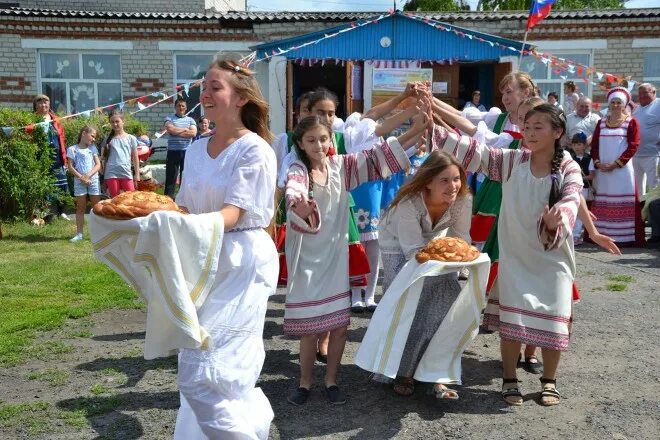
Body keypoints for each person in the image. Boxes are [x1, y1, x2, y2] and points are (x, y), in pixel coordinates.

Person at [431, 103, 582, 407]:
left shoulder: (568, 166)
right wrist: (430, 124)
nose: (530, 132)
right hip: (515, 258)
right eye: (527, 127)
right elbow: (473, 151)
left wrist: (558, 219)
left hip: (553, 259)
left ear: (557, 132)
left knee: (554, 319)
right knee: (512, 322)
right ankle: (509, 378)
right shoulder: (513, 161)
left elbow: (572, 198)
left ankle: (549, 381)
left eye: (538, 127)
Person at [283, 112, 424, 406]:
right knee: (310, 329)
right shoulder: (298, 169)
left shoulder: (340, 167)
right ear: (300, 143)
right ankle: (304, 383)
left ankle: (331, 380)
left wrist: (417, 129)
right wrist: (299, 205)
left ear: (330, 140)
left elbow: (379, 157)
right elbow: (294, 189)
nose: (319, 145)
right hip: (308, 258)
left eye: (323, 139)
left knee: (339, 325)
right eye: (311, 140)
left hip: (335, 255)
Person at [172, 55, 277, 439]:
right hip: (202, 257)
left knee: (205, 374)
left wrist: (185, 225)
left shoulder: (255, 150)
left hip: (242, 260)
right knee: (212, 373)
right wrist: (153, 220)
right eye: (204, 88)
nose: (206, 94)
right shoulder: (197, 148)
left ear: (240, 98)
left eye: (215, 87)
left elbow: (234, 213)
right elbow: (182, 205)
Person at [377, 150, 471, 399]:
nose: (453, 186)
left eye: (457, 179)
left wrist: (461, 264)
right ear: (428, 182)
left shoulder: (462, 200)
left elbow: (462, 239)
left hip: (432, 247)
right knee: (406, 306)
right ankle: (402, 372)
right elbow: (412, 251)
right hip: (398, 244)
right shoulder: (408, 204)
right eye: (445, 180)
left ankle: (435, 374)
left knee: (445, 305)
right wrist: (445, 262)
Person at [590, 87, 646, 247]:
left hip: (621, 170)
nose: (615, 105)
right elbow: (594, 146)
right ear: (608, 104)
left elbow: (634, 145)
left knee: (623, 200)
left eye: (618, 103)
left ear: (624, 105)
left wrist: (616, 164)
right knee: (604, 200)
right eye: (612, 102)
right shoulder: (600, 123)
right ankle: (602, 235)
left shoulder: (631, 122)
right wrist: (598, 162)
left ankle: (624, 237)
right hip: (603, 170)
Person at [33, 94, 70, 221]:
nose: (44, 105)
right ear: (35, 105)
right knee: (43, 185)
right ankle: (45, 214)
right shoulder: (32, 120)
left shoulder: (56, 120)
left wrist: (64, 157)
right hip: (40, 157)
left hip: (58, 158)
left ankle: (62, 212)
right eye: (40, 103)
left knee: (61, 184)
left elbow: (62, 139)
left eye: (46, 102)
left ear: (49, 105)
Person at [66, 126, 101, 242]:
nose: (94, 139)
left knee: (97, 207)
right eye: (92, 136)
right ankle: (79, 234)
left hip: (93, 180)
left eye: (95, 137)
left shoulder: (93, 148)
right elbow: (70, 166)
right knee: (80, 208)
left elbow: (98, 165)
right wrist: (81, 177)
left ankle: (99, 233)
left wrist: (88, 176)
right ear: (84, 133)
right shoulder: (72, 149)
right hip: (79, 181)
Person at [100, 111, 140, 198]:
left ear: (123, 121)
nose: (115, 124)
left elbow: (135, 157)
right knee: (115, 199)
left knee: (131, 198)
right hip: (111, 173)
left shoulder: (131, 138)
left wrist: (137, 174)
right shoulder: (107, 139)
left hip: (126, 172)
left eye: (117, 121)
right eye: (112, 122)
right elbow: (104, 159)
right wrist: (104, 178)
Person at [163, 98, 197, 199]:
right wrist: (185, 130)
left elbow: (193, 133)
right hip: (173, 152)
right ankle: (168, 199)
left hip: (187, 152)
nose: (181, 107)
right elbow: (170, 129)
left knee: (186, 177)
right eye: (179, 105)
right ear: (175, 107)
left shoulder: (191, 120)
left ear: (186, 108)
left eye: (183, 106)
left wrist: (176, 131)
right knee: (171, 177)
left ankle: (184, 199)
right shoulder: (169, 118)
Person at [632, 83, 660, 198]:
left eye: (645, 93)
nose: (642, 96)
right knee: (637, 188)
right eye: (640, 93)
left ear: (654, 92)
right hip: (636, 155)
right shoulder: (637, 110)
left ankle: (655, 214)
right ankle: (641, 214)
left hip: (653, 155)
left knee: (654, 187)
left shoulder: (658, 104)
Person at [567, 132, 594, 245]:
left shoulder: (589, 158)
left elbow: (592, 175)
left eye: (580, 144)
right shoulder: (570, 158)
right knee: (574, 211)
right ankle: (574, 234)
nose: (577, 147)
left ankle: (577, 234)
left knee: (580, 212)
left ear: (584, 145)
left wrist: (579, 176)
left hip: (585, 188)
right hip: (573, 188)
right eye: (575, 145)